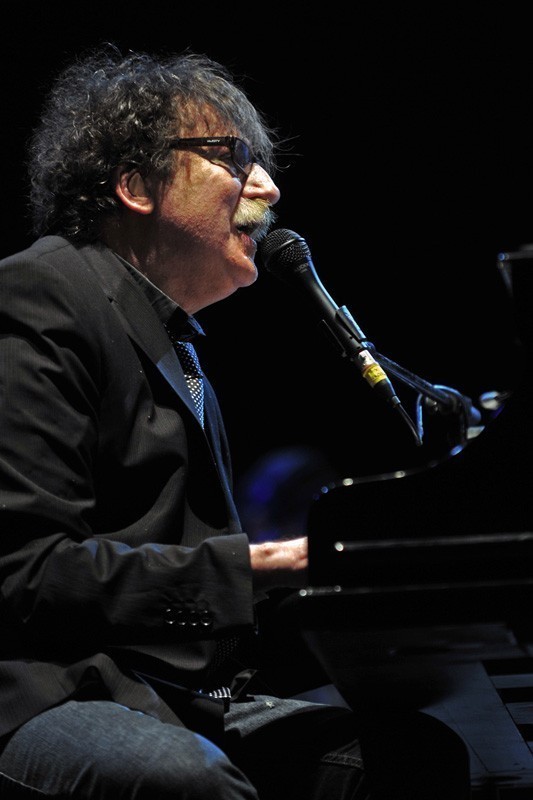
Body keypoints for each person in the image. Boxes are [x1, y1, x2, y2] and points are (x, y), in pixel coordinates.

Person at [0, 45, 470, 799]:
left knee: (414, 756)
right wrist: (270, 564)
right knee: (190, 782)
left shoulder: (173, 341)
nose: (267, 187)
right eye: (232, 157)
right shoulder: (38, 294)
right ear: (134, 185)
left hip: (170, 695)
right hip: (46, 692)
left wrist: (370, 600)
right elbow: (25, 574)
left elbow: (195, 600)